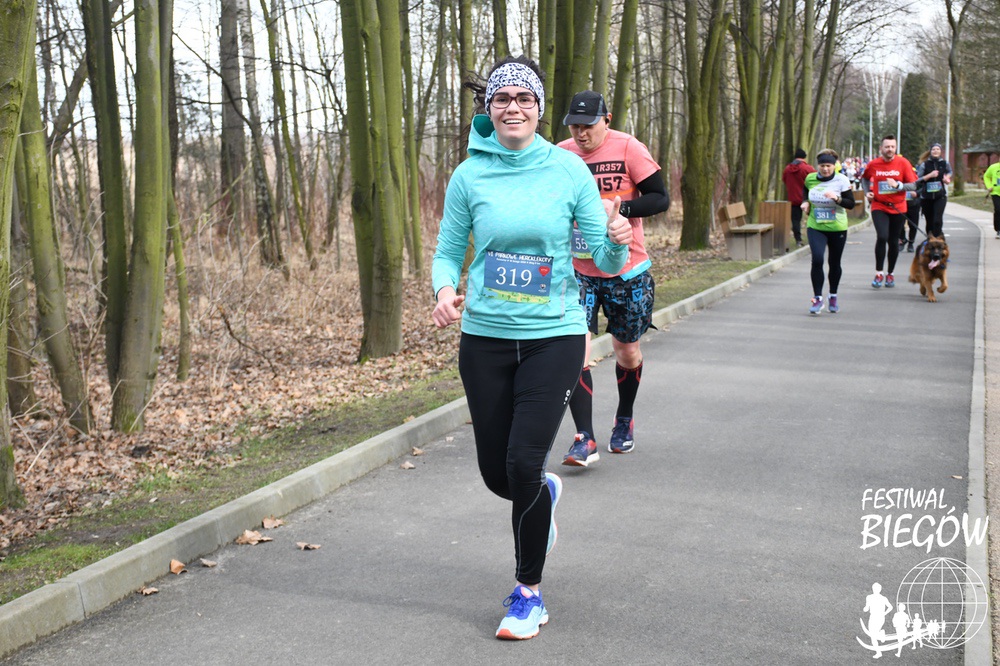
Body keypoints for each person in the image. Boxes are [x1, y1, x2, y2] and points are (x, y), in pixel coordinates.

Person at [431, 56, 633, 641]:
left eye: (524, 98)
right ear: (488, 108)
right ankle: (543, 495)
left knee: (523, 462)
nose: (513, 107)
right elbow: (448, 250)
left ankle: (528, 595)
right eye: (502, 98)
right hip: (485, 339)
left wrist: (617, 238)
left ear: (539, 109)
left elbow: (603, 257)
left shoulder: (567, 170)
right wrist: (444, 291)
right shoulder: (469, 174)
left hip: (555, 335)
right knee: (500, 476)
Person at [555, 90, 670, 466]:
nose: (580, 133)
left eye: (588, 125)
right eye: (574, 125)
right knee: (575, 350)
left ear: (606, 119)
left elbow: (660, 198)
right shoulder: (560, 154)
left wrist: (620, 211)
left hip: (627, 271)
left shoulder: (628, 148)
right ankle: (584, 437)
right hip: (579, 271)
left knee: (627, 351)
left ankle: (624, 418)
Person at [801, 149, 855, 314]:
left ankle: (833, 295)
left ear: (834, 166)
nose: (825, 169)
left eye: (828, 166)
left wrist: (837, 199)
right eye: (822, 166)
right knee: (817, 259)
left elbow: (851, 203)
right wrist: (805, 202)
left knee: (834, 262)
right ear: (818, 166)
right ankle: (818, 298)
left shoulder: (842, 180)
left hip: (837, 227)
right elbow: (805, 190)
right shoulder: (810, 178)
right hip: (816, 226)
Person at [861, 135, 918, 288]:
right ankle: (879, 272)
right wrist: (867, 192)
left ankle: (890, 273)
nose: (890, 149)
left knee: (893, 241)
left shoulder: (903, 163)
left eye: (892, 147)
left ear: (896, 148)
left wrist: (898, 186)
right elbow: (864, 179)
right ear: (881, 148)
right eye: (887, 147)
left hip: (898, 207)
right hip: (879, 205)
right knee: (882, 236)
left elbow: (913, 185)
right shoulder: (874, 164)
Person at [916, 143, 952, 238]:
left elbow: (950, 171)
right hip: (926, 197)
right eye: (933, 149)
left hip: (940, 196)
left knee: (937, 220)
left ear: (940, 151)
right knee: (929, 221)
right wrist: (930, 175)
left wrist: (947, 178)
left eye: (937, 149)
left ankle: (938, 239)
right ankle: (930, 239)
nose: (935, 151)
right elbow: (918, 179)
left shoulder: (945, 163)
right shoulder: (925, 164)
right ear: (930, 151)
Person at [782, 148, 816, 247]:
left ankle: (798, 240)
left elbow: (784, 180)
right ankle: (814, 237)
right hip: (808, 199)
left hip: (793, 198)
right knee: (813, 217)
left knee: (795, 220)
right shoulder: (808, 168)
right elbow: (816, 180)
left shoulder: (787, 169)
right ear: (804, 157)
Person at [983, 159, 1000, 238]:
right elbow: (986, 176)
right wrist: (989, 186)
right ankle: (998, 229)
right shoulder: (993, 167)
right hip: (995, 192)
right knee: (998, 210)